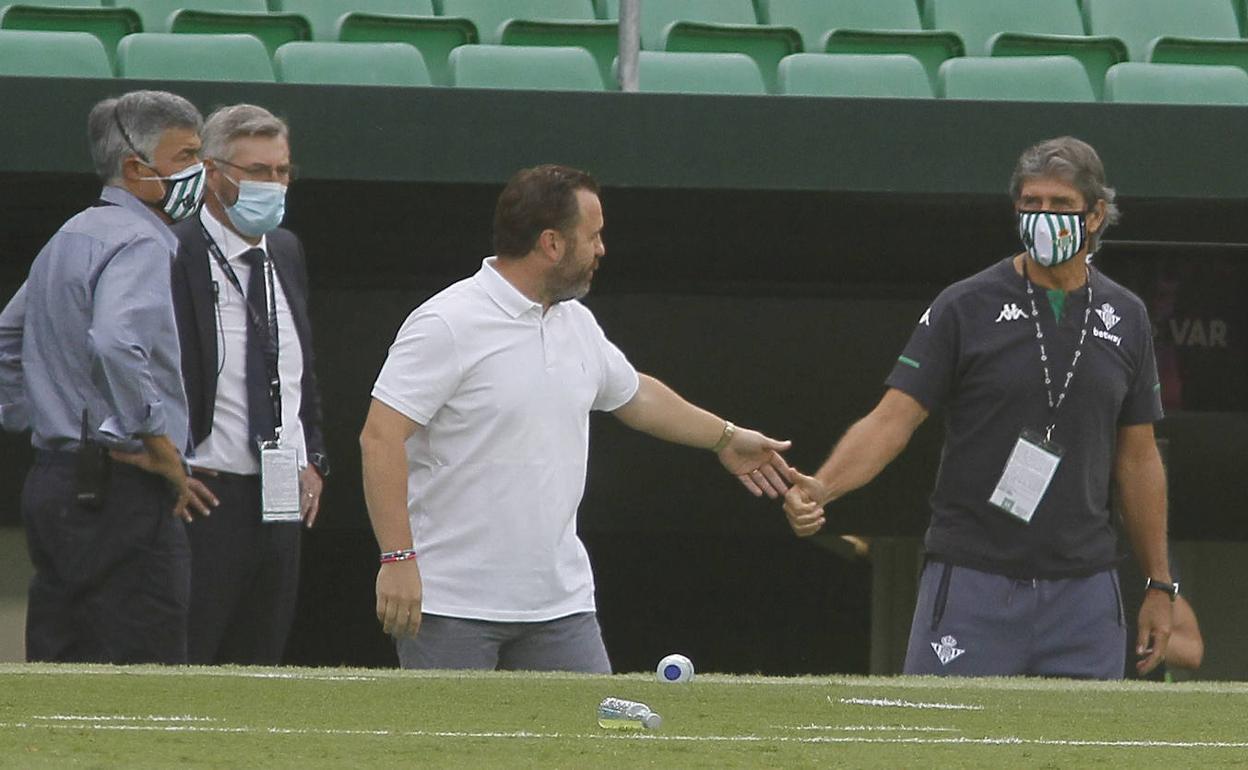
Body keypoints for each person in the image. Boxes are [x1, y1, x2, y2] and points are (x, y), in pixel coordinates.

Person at [359, 164, 791, 672]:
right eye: (594, 236)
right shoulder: (446, 323)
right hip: (449, 606)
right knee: (450, 754)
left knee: (589, 751)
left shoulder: (576, 323)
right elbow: (380, 436)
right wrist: (397, 559)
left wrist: (725, 438)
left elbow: (636, 396)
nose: (602, 249)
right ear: (551, 244)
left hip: (561, 608)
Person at [783, 137, 1173, 679]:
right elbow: (893, 417)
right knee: (943, 742)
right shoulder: (965, 304)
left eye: (1061, 205)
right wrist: (824, 486)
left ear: (1096, 213)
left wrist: (1159, 582)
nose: (1044, 217)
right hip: (973, 574)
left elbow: (1138, 458)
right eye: (1031, 204)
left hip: (1084, 585)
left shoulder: (1126, 315)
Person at [0, 90, 217, 664]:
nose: (200, 170)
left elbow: (6, 335)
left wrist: (33, 415)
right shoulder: (142, 239)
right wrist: (158, 444)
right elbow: (117, 341)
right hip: (120, 487)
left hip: (55, 479)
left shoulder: (69, 235)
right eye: (186, 156)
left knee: (62, 667)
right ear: (134, 168)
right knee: (144, 674)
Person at [170, 104, 329, 665]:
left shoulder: (285, 250)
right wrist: (166, 457)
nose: (275, 184)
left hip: (281, 492)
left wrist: (313, 457)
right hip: (208, 488)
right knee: (194, 652)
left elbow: (296, 365)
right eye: (259, 171)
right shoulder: (177, 248)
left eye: (283, 171)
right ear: (214, 174)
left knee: (261, 657)